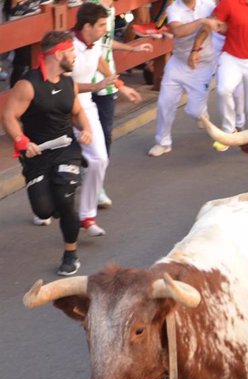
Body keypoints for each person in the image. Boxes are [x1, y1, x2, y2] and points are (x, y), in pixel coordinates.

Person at [1, 31, 92, 275]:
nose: (75, 56)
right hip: (37, 154)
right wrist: (21, 140)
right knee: (43, 210)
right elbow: (9, 115)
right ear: (59, 53)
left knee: (65, 199)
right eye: (72, 51)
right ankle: (61, 198)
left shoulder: (68, 83)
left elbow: (77, 111)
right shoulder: (28, 85)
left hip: (66, 148)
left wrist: (87, 128)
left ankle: (70, 254)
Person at [72, 2, 140, 235]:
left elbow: (101, 60)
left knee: (100, 158)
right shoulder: (67, 46)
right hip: (60, 109)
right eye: (101, 25)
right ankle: (44, 206)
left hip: (85, 106)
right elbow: (62, 85)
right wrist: (96, 85)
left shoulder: (95, 41)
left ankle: (87, 216)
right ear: (87, 26)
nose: (105, 29)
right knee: (53, 163)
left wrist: (121, 86)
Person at [191, 0, 248, 148]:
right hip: (231, 58)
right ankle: (229, 131)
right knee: (224, 90)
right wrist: (195, 50)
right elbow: (208, 26)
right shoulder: (229, 3)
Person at [91, 0, 151, 206]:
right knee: (84, 133)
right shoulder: (91, 8)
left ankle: (96, 184)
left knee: (105, 134)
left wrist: (132, 48)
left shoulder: (111, 9)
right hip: (89, 84)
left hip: (107, 85)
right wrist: (120, 84)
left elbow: (105, 43)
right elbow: (94, 53)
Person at [147, 0, 221, 157]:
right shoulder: (174, 8)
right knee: (165, 102)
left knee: (195, 111)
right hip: (178, 63)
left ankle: (202, 113)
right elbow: (178, 31)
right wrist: (202, 20)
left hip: (203, 65)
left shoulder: (209, 4)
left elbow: (217, 23)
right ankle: (163, 142)